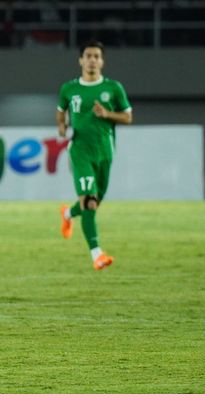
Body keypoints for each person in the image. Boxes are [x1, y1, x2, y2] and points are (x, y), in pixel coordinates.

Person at [56, 40, 133, 270]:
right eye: (88, 55)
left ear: (102, 61)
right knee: (89, 202)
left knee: (93, 203)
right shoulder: (69, 89)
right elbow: (60, 114)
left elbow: (128, 117)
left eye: (96, 56)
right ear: (81, 60)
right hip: (80, 151)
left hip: (105, 152)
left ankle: (68, 213)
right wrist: (62, 128)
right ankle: (97, 255)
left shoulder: (113, 88)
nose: (92, 60)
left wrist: (107, 113)